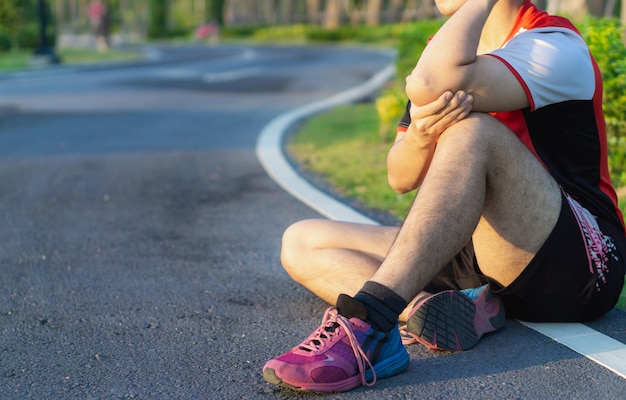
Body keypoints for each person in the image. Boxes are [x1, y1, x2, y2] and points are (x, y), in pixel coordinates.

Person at [263, 0, 626, 393]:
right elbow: (399, 177)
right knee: (300, 240)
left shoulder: (554, 45)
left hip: (578, 262)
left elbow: (432, 84)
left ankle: (372, 321)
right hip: (481, 254)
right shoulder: (446, 52)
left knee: (473, 131)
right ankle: (433, 308)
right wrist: (420, 135)